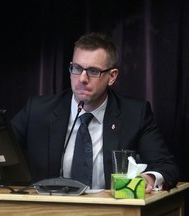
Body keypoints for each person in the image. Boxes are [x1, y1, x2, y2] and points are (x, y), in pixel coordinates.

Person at [11, 32, 179, 193]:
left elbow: (166, 166)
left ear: (112, 76)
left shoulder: (135, 114)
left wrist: (148, 179)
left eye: (93, 71)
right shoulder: (38, 111)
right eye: (76, 68)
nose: (82, 78)